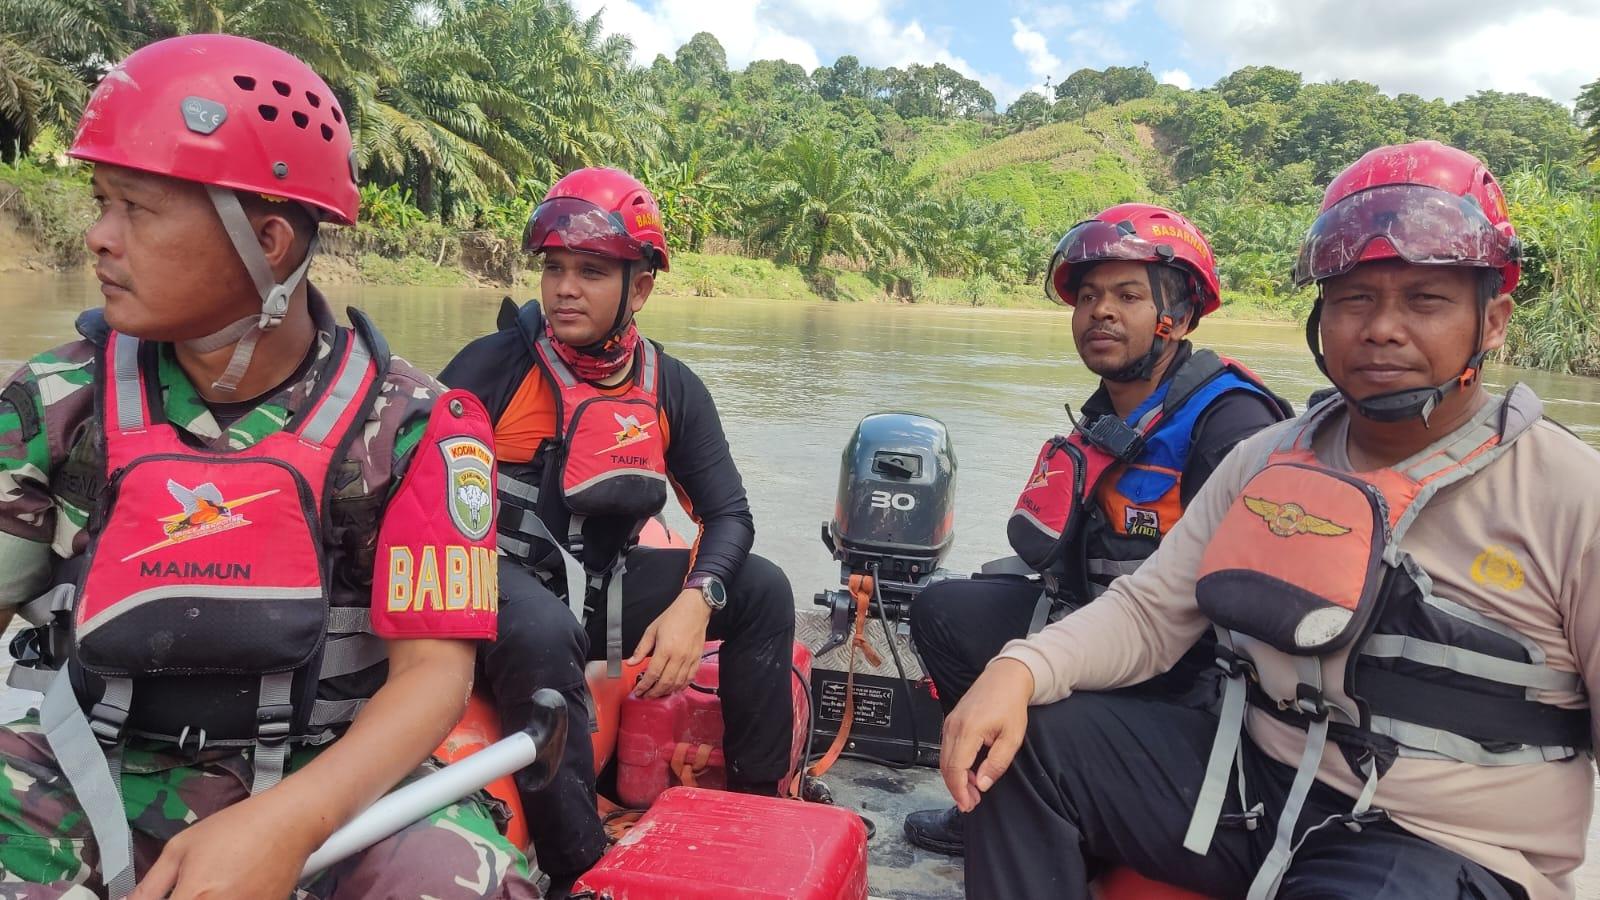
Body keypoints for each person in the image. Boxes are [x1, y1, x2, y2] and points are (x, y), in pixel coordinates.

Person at [942, 140, 1599, 900]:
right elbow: (1151, 613)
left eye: (1425, 300)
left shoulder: (1568, 494)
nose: (1382, 328)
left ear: (1493, 321)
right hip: (1252, 782)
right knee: (1027, 745)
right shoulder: (1267, 457)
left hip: (1443, 843)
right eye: (1355, 299)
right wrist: (1019, 668)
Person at [0, 35, 538, 899]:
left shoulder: (414, 427)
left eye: (135, 208)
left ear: (270, 243)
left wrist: (284, 823)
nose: (98, 238)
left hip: (327, 772)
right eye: (100, 201)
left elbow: (436, 676)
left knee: (461, 880)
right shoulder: (58, 401)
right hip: (82, 757)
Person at [440, 167, 797, 895]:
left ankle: (759, 802)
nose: (565, 288)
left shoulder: (670, 387)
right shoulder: (494, 367)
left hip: (598, 589)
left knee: (761, 589)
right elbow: (410, 493)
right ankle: (578, 868)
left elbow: (731, 515)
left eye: (592, 272)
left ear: (640, 289)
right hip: (488, 588)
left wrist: (698, 600)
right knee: (540, 631)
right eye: (554, 268)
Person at [904, 203, 1292, 856]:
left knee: (1044, 698)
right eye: (1087, 297)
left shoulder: (1229, 425)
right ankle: (988, 804)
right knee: (941, 609)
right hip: (1087, 617)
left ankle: (1071, 814)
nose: (1100, 312)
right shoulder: (1108, 411)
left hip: (1182, 671)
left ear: (1178, 316)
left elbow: (1238, 612)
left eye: (1127, 295)